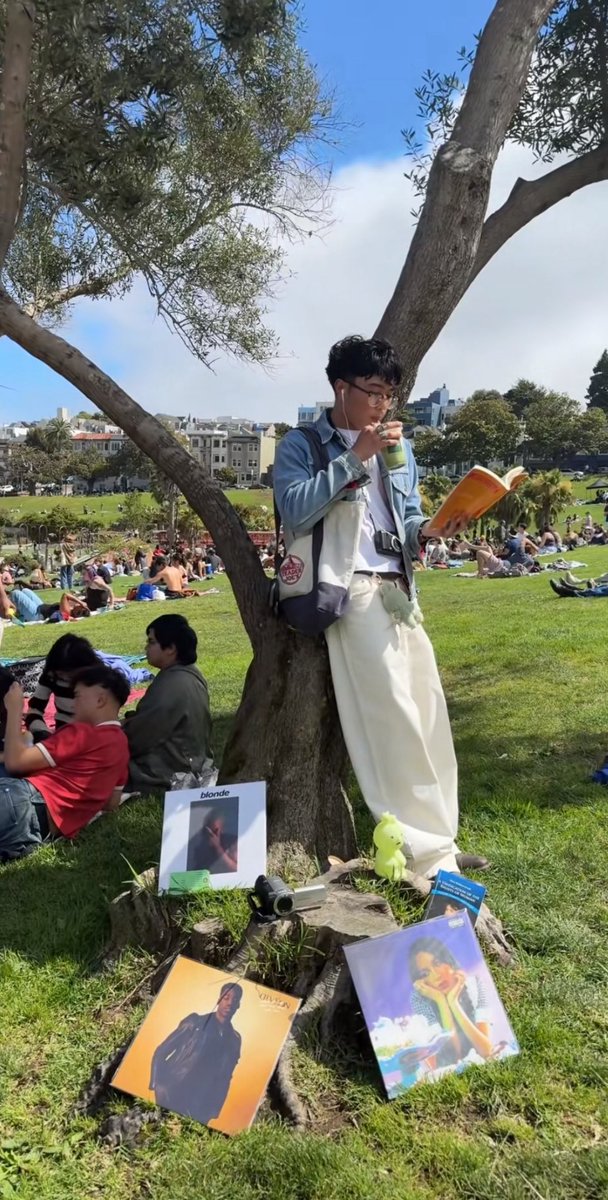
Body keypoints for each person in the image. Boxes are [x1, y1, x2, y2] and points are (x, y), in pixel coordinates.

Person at [273, 334, 486, 878]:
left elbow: (405, 520)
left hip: (400, 586)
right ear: (340, 388)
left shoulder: (400, 448)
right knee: (389, 716)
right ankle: (421, 851)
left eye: (389, 394)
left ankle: (443, 836)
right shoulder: (302, 443)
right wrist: (353, 458)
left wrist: (434, 528)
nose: (381, 404)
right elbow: (294, 510)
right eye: (372, 391)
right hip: (348, 586)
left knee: (428, 708)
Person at [0, 664, 130, 862]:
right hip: (34, 833)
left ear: (100, 700)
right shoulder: (121, 747)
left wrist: (15, 709)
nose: (72, 704)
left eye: (77, 696)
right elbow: (110, 803)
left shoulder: (82, 733)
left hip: (21, 801)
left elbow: (15, 763)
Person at [124, 614, 212, 791]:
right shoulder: (187, 673)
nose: (146, 647)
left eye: (151, 642)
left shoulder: (172, 685)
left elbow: (139, 738)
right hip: (192, 761)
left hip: (170, 772)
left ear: (170, 648)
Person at [149, 982, 242, 1124]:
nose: (229, 1003)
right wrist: (157, 1085)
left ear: (238, 1006)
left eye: (234, 1000)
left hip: (203, 1101)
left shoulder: (234, 1039)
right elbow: (162, 1050)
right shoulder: (195, 1023)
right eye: (226, 997)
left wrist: (215, 1107)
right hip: (175, 1088)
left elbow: (226, 1076)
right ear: (219, 999)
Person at [408, 935, 493, 1068]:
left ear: (449, 961)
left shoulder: (474, 984)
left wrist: (454, 1003)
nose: (436, 975)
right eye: (425, 973)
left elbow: (487, 1051)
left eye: (437, 963)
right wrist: (441, 1002)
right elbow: (453, 1057)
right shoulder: (420, 1000)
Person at [25, 633, 100, 742]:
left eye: (69, 674)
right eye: (60, 674)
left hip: (96, 733)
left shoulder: (99, 678)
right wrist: (42, 733)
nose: (65, 677)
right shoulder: (51, 676)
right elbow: (35, 710)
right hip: (65, 733)